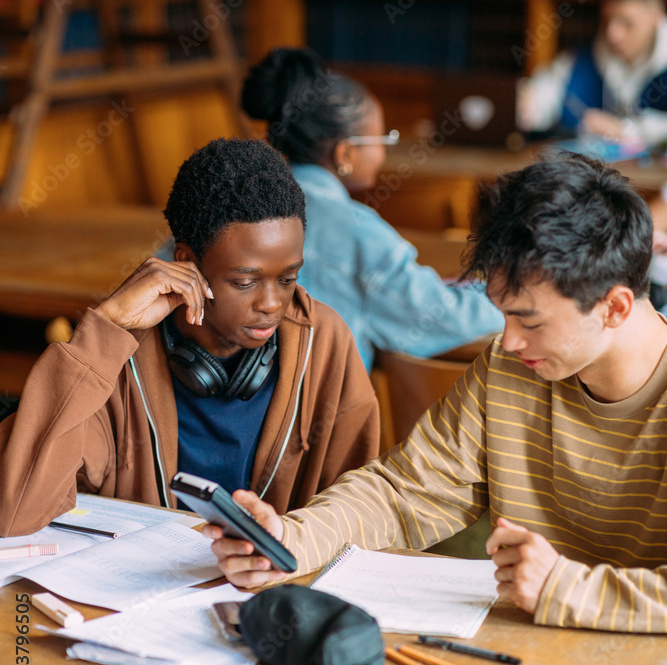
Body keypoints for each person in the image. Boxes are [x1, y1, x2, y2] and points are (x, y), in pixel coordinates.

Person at [206, 154, 667, 634]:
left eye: (529, 320)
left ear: (614, 307)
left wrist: (564, 589)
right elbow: (401, 492)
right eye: (502, 314)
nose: (507, 341)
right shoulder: (510, 368)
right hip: (527, 653)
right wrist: (288, 540)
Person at [0, 138, 380, 537]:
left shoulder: (324, 343)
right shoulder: (118, 356)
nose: (271, 303)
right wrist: (105, 328)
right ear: (186, 263)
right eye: (245, 281)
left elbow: (361, 515)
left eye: (288, 279)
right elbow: (13, 513)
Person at [241, 47, 502, 371]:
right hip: (315, 417)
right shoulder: (359, 232)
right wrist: (508, 291)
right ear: (346, 153)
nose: (383, 153)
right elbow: (446, 317)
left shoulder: (230, 203)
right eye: (382, 139)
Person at [517, 0, 667, 146]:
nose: (613, 34)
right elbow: (542, 95)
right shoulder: (583, 58)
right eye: (607, 20)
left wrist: (627, 130)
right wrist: (527, 105)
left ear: (656, 19)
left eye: (627, 23)